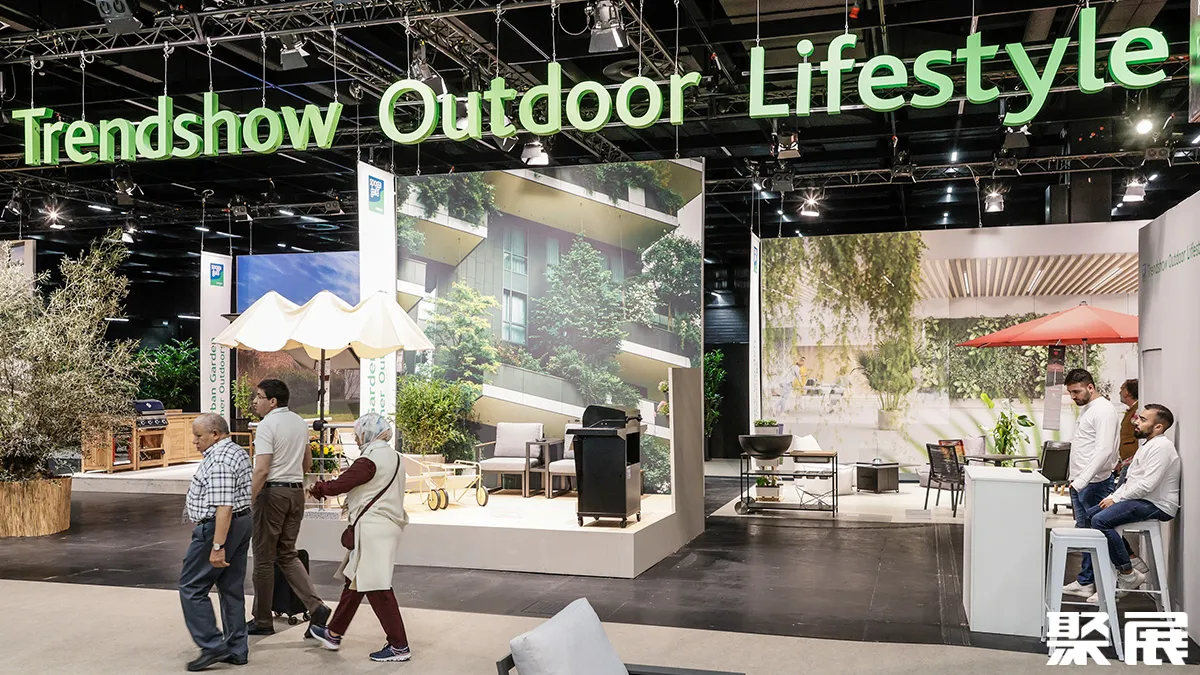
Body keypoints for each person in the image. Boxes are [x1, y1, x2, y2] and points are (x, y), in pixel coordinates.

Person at [307, 414, 412, 663]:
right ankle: (333, 633)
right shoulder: (394, 456)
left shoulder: (370, 459)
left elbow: (341, 484)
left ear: (368, 433)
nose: (355, 438)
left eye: (358, 434)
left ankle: (399, 646)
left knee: (377, 587)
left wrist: (318, 488)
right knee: (355, 580)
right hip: (385, 526)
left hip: (373, 528)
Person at [248, 379, 330, 635]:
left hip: (272, 494)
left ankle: (263, 620)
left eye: (259, 396)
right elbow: (307, 463)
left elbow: (262, 470)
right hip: (295, 493)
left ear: (273, 401)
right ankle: (316, 606)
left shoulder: (266, 425)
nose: (255, 401)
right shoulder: (298, 422)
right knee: (287, 554)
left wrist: (247, 499)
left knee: (263, 559)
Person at [1084, 404, 1181, 604]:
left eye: (1143, 419)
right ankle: (1130, 558)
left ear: (1158, 427)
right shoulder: (1148, 445)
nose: (1136, 422)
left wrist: (1116, 499)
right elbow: (1132, 481)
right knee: (1089, 516)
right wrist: (1114, 496)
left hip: (1158, 504)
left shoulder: (1162, 448)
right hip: (1142, 498)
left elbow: (1147, 485)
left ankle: (1127, 573)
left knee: (1101, 521)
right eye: (1139, 417)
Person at [179, 413, 254, 671]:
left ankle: (212, 645)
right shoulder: (236, 451)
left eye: (198, 436)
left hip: (219, 529)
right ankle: (237, 648)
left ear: (215, 434)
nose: (194, 441)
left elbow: (224, 507)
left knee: (191, 586)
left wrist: (217, 546)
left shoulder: (220, 459)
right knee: (231, 587)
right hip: (242, 524)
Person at [1060, 369, 1119, 599]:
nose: (1073, 396)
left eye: (1076, 391)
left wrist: (1082, 480)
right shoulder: (1090, 409)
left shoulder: (1103, 410)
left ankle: (1117, 577)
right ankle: (1086, 581)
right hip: (1082, 482)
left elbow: (1104, 450)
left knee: (1098, 533)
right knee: (1086, 532)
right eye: (1071, 392)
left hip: (1094, 483)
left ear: (1090, 387)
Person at [1115, 379, 1139, 478]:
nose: (1119, 393)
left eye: (1121, 389)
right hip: (1128, 461)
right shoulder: (1132, 410)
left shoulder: (1137, 410)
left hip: (1132, 462)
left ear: (1127, 393)